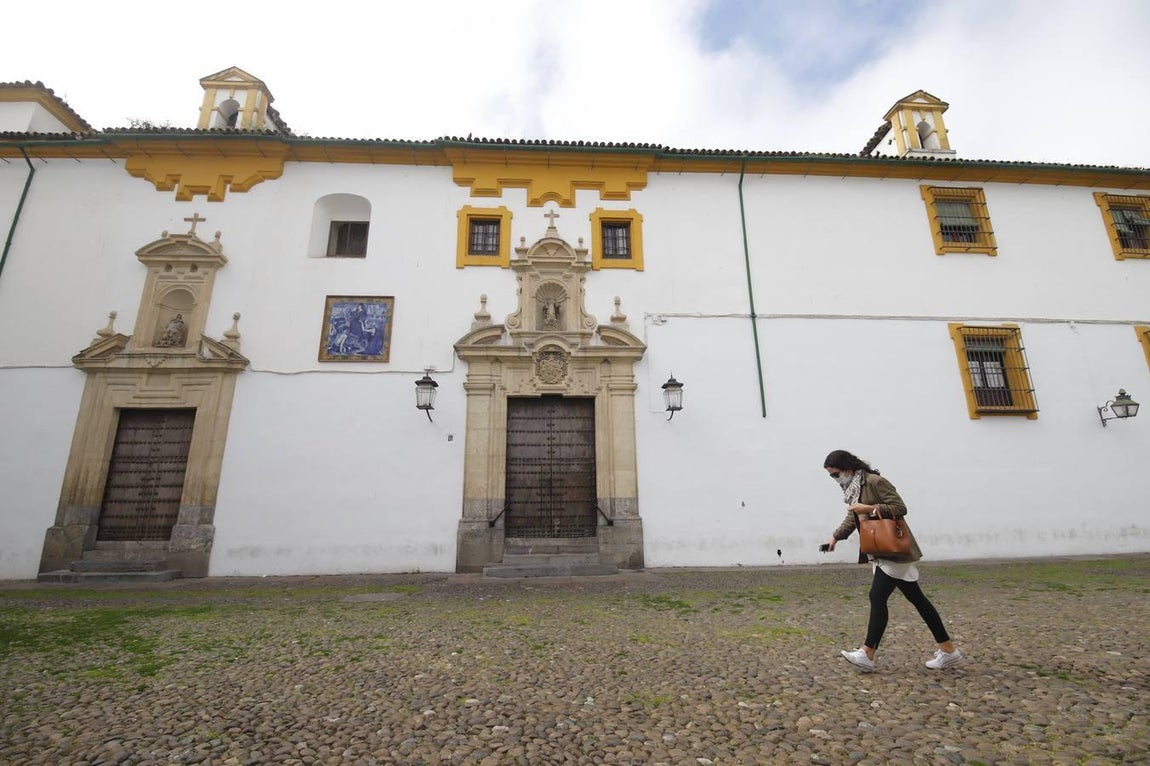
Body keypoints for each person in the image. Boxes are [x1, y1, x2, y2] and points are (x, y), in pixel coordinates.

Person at [821, 449, 963, 672]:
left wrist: (869, 508)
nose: (835, 479)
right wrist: (836, 537)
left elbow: (900, 508)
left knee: (877, 596)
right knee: (919, 601)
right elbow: (853, 516)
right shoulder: (854, 488)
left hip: (894, 549)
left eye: (836, 474)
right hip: (881, 550)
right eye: (831, 476)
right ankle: (948, 651)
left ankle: (867, 653)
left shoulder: (875, 482)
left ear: (848, 468)